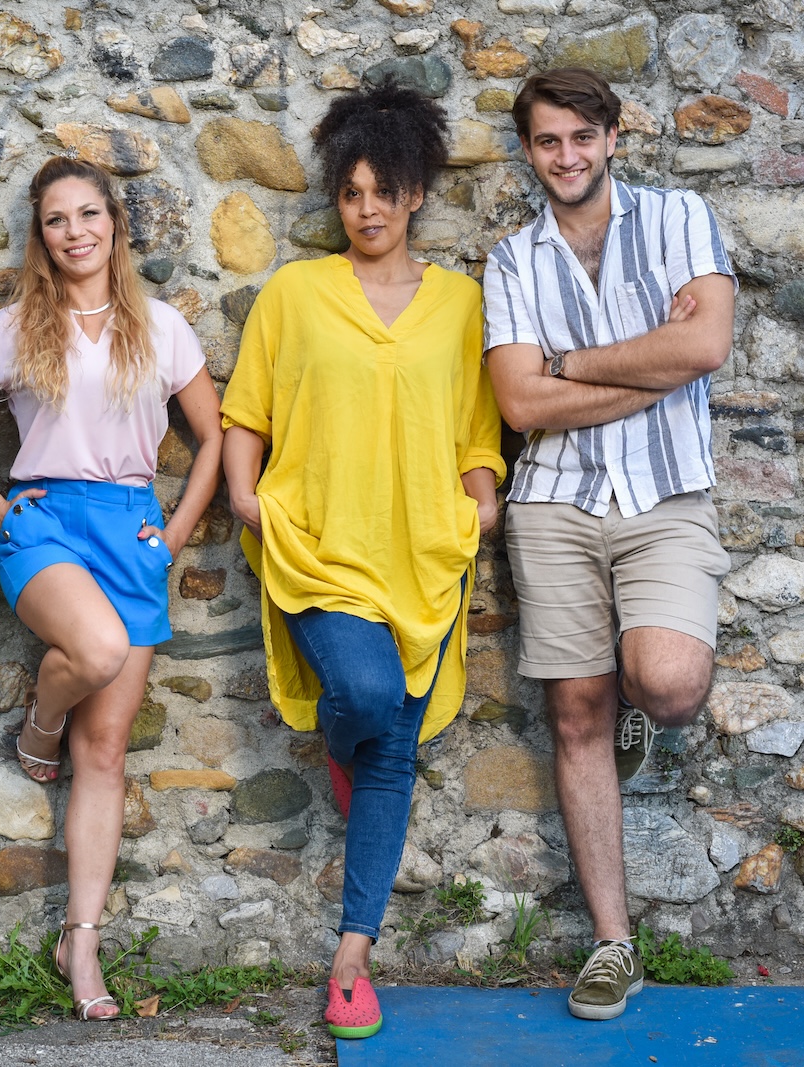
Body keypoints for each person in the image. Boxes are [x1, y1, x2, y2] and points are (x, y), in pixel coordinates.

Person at [220, 80, 504, 1041]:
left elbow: (477, 426)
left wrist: (481, 492)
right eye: (351, 193)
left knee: (390, 757)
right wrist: (242, 492)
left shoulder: (463, 304)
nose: (369, 209)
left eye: (386, 191)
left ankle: (352, 959)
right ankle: (345, 740)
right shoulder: (296, 293)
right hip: (319, 544)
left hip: (423, 551)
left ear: (417, 192)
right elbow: (245, 409)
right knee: (372, 706)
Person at [0, 156, 222, 1022]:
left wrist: (172, 535)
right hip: (45, 524)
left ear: (114, 224)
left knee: (105, 756)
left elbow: (211, 439)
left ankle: (81, 939)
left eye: (89, 214)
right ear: (42, 234)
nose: (75, 232)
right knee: (92, 650)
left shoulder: (163, 327)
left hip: (130, 528)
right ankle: (38, 722)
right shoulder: (16, 326)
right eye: (57, 219)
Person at [482, 68, 736, 1021]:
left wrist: (572, 364)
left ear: (614, 138)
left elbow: (705, 349)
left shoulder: (680, 218)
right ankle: (612, 944)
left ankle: (641, 694)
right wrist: (650, 364)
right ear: (529, 151)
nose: (567, 157)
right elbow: (518, 403)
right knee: (576, 717)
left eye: (583, 137)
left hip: (666, 493)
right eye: (548, 142)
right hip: (555, 501)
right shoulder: (511, 262)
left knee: (665, 682)